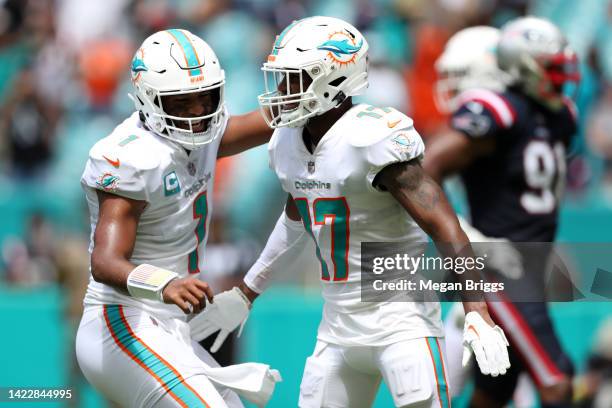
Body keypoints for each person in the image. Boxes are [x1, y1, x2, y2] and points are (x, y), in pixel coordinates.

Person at [191, 16, 510, 408]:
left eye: (295, 78)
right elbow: (299, 219)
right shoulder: (288, 141)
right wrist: (246, 292)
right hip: (338, 326)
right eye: (282, 78)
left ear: (333, 79)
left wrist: (477, 308)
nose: (283, 91)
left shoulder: (371, 137)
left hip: (401, 321)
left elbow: (442, 221)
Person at [75, 29, 280, 408]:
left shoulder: (205, 130)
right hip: (122, 322)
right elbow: (104, 262)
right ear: (149, 100)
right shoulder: (131, 157)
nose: (198, 113)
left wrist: (314, 88)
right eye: (182, 102)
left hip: (171, 328)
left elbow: (268, 121)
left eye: (206, 98)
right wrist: (164, 283)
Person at [423, 17, 579, 408]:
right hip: (497, 268)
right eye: (552, 68)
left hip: (528, 263)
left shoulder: (560, 116)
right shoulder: (499, 111)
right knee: (557, 379)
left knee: (496, 388)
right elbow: (424, 169)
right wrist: (468, 240)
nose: (562, 78)